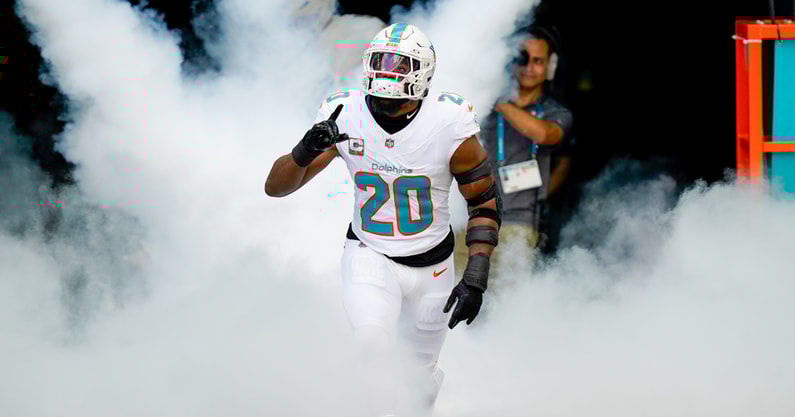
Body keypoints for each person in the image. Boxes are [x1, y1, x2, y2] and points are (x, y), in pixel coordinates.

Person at [265, 23, 502, 417]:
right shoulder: (344, 113)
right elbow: (276, 187)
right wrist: (306, 149)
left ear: (422, 71)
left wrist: (476, 274)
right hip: (369, 254)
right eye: (383, 61)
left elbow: (483, 204)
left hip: (434, 267)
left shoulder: (448, 121)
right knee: (372, 350)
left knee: (418, 382)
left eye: (400, 63)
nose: (389, 72)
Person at [455, 25, 573, 278]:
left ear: (550, 67)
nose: (529, 66)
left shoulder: (556, 113)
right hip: (469, 222)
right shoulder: (484, 103)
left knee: (507, 307)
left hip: (518, 226)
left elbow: (544, 135)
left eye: (538, 61)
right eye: (523, 58)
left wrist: (538, 194)